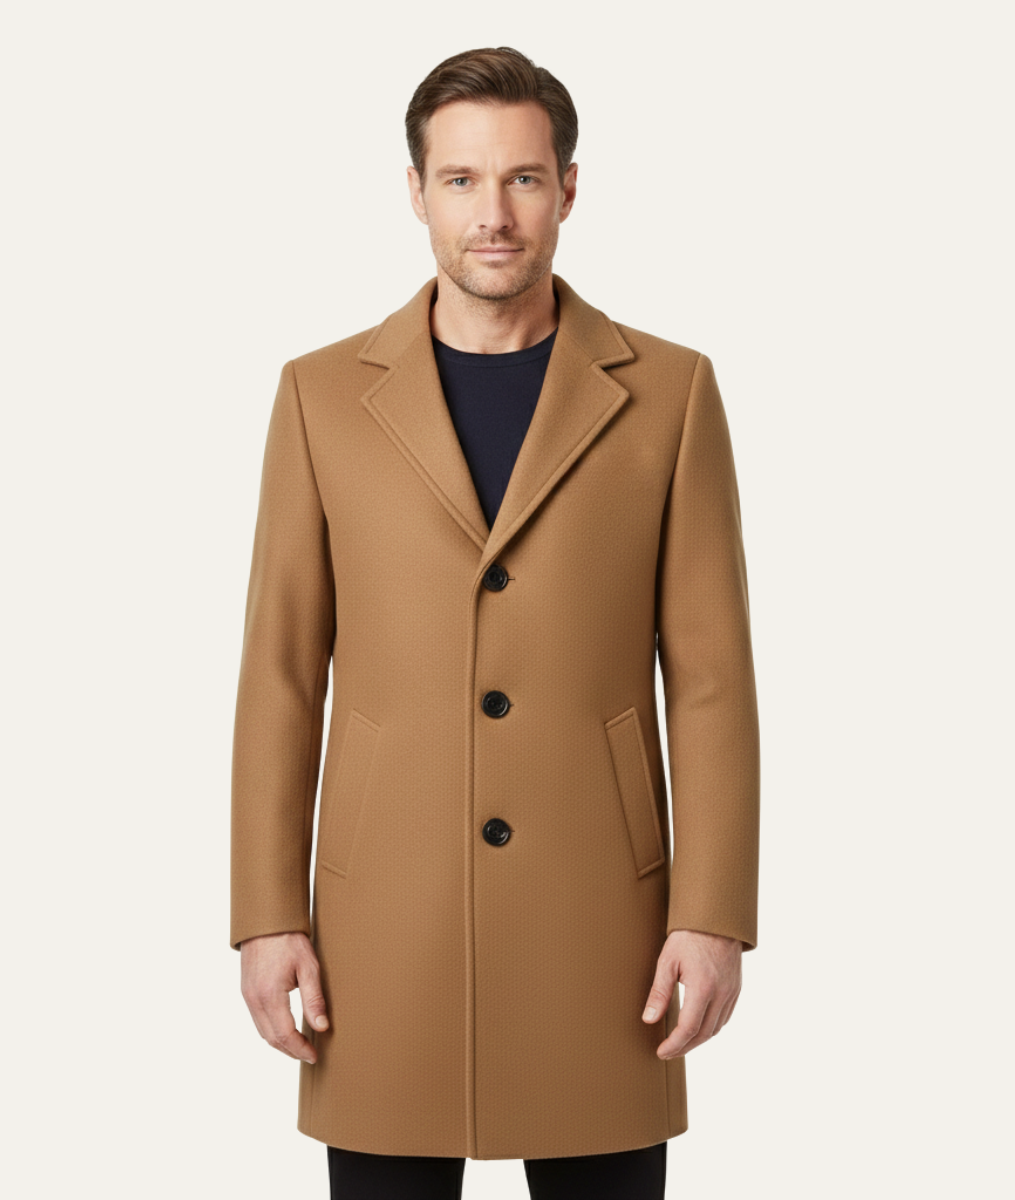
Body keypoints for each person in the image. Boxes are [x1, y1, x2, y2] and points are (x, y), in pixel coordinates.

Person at [230, 45, 760, 1200]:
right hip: (384, 923)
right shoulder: (322, 396)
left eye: (522, 178)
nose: (494, 215)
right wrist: (267, 915)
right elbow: (281, 669)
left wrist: (713, 913)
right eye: (461, 180)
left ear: (568, 189)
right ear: (415, 192)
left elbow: (712, 677)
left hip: (603, 922)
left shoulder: (670, 394)